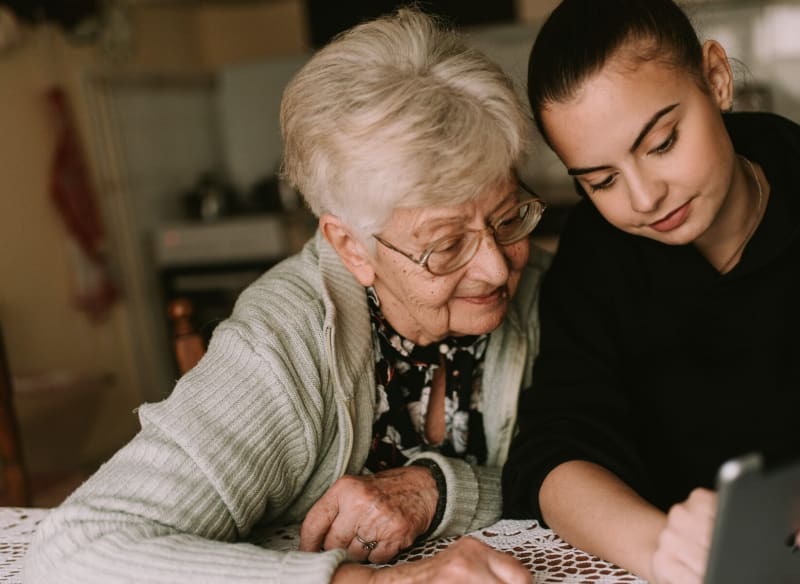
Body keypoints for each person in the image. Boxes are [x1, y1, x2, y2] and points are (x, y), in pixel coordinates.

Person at [24, 8, 548, 584]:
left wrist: (437, 488)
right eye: (447, 245)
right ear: (351, 247)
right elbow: (77, 549)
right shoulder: (283, 344)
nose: (497, 268)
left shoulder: (546, 293)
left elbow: (604, 460)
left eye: (508, 218)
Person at [502, 1, 800, 583]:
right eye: (602, 181)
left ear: (716, 79)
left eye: (661, 143)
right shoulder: (596, 254)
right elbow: (551, 454)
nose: (643, 199)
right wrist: (662, 549)